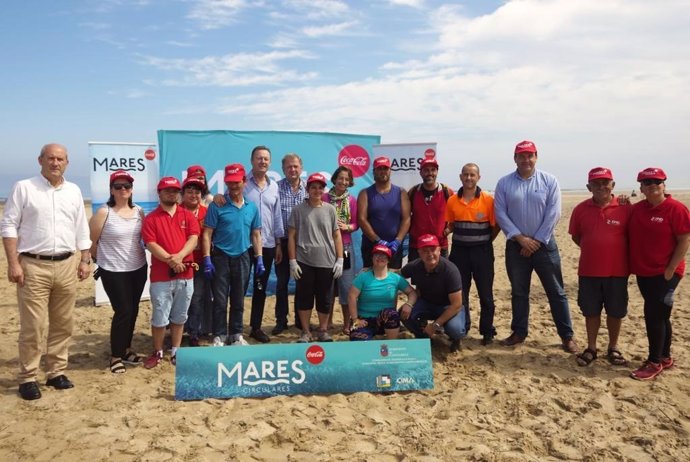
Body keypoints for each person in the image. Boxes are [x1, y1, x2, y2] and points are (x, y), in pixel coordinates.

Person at [1, 143, 91, 400]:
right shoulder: (24, 187)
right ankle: (28, 377)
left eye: (60, 159)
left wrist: (85, 259)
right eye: (50, 158)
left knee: (63, 323)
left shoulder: (73, 191)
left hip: (66, 264)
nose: (55, 163)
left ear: (67, 163)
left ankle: (55, 372)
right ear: (40, 160)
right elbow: (8, 226)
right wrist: (13, 263)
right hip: (33, 265)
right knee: (33, 326)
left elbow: (81, 228)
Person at [494, 140, 578, 353]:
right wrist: (520, 239)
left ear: (536, 157)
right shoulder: (504, 183)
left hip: (545, 246)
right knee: (519, 292)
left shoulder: (549, 181)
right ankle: (519, 332)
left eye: (529, 155)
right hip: (516, 246)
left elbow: (554, 212)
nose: (526, 160)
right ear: (515, 158)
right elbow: (500, 214)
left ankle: (567, 336)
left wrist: (537, 240)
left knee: (556, 292)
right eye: (521, 156)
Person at [628, 167, 690, 380]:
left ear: (664, 184)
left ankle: (654, 362)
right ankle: (664, 357)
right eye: (647, 182)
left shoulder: (676, 209)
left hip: (666, 273)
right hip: (644, 271)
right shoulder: (638, 209)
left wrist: (671, 269)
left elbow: (684, 240)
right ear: (641, 188)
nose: (652, 185)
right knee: (662, 315)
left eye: (657, 181)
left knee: (653, 315)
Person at [569, 167, 632, 367]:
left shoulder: (626, 207)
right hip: (589, 270)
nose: (601, 187)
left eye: (605, 182)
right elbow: (576, 236)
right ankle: (591, 347)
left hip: (617, 271)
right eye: (596, 183)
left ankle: (613, 347)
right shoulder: (580, 209)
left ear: (613, 185)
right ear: (589, 187)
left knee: (615, 312)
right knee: (591, 311)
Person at [89, 170, 148, 373]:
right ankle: (115, 356)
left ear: (132, 189)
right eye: (118, 186)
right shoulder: (104, 213)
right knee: (123, 311)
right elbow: (92, 242)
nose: (123, 190)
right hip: (113, 271)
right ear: (111, 190)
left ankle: (126, 349)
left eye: (127, 186)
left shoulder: (139, 211)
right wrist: (101, 262)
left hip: (138, 268)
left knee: (133, 310)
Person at [141, 177, 199, 368]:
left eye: (175, 191)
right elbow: (151, 244)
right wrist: (171, 260)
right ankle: (157, 351)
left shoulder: (187, 215)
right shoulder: (151, 218)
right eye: (167, 191)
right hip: (161, 277)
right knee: (159, 317)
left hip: (185, 275)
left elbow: (193, 238)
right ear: (159, 193)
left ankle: (176, 350)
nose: (171, 194)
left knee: (180, 316)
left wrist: (179, 257)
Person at [202, 164, 263, 347]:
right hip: (220, 256)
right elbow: (207, 234)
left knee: (238, 298)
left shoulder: (252, 207)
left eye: (237, 182)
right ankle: (220, 335)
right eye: (230, 182)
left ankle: (236, 334)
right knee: (220, 299)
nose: (233, 186)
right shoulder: (217, 204)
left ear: (244, 182)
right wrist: (207, 258)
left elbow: (256, 234)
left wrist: (259, 257)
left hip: (244, 256)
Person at [445, 163, 499, 345]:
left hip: (482, 252)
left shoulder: (488, 200)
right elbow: (451, 225)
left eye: (472, 175)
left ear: (478, 177)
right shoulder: (452, 200)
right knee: (461, 294)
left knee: (486, 293)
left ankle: (487, 331)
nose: (469, 178)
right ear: (460, 177)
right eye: (465, 175)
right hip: (459, 252)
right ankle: (462, 329)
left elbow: (495, 226)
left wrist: (484, 241)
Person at [288, 173, 344, 343]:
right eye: (313, 187)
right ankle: (305, 331)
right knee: (304, 297)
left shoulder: (330, 209)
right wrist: (292, 261)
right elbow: (291, 236)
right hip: (304, 260)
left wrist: (340, 259)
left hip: (327, 261)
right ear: (308, 189)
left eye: (320, 187)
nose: (317, 190)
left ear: (324, 189)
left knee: (325, 298)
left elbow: (336, 236)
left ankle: (323, 330)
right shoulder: (298, 210)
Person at [244, 146, 284, 343]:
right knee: (239, 287)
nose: (263, 161)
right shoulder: (242, 184)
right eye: (259, 158)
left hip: (267, 245)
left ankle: (256, 327)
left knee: (260, 287)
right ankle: (234, 329)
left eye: (266, 159)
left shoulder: (274, 186)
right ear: (252, 160)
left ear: (270, 162)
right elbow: (225, 202)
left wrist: (278, 243)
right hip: (243, 245)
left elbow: (277, 217)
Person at [400, 234, 466, 352]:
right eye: (425, 251)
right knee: (403, 313)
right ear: (419, 252)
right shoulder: (415, 266)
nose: (430, 254)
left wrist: (435, 325)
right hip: (426, 303)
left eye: (433, 249)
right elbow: (396, 276)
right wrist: (375, 270)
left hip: (448, 306)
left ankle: (455, 339)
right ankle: (424, 336)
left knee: (456, 329)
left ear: (439, 250)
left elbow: (456, 305)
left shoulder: (450, 270)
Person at [348, 245, 417, 341]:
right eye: (377, 255)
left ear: (388, 260)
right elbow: (351, 296)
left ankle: (392, 344)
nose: (380, 258)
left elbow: (412, 292)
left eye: (384, 256)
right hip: (363, 319)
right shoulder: (363, 276)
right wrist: (355, 319)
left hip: (385, 320)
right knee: (357, 342)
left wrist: (409, 304)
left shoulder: (395, 278)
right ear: (372, 258)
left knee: (392, 313)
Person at [323, 166, 358, 335]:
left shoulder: (352, 200)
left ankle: (347, 323)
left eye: (347, 179)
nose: (343, 182)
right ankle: (327, 322)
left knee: (345, 285)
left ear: (350, 182)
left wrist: (348, 226)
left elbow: (357, 223)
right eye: (341, 178)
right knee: (328, 286)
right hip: (326, 248)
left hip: (345, 248)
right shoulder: (323, 198)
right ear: (335, 179)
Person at [358, 156, 410, 269]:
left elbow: (406, 218)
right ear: (374, 172)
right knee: (371, 282)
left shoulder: (401, 192)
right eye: (379, 169)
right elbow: (362, 219)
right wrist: (377, 240)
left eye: (385, 168)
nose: (383, 171)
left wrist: (398, 241)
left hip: (394, 247)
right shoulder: (365, 193)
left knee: (393, 281)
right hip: (371, 246)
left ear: (390, 171)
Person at [274, 153, 307, 333]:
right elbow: (274, 218)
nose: (292, 170)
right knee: (281, 284)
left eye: (295, 166)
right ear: (283, 169)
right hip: (283, 243)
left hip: (304, 244)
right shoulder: (276, 188)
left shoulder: (310, 189)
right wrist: (278, 244)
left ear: (301, 167)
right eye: (288, 167)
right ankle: (280, 321)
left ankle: (300, 321)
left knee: (302, 283)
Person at [180, 175, 210, 346]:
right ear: (183, 194)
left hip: (200, 262)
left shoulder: (207, 212)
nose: (193, 195)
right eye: (189, 192)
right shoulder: (176, 211)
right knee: (180, 298)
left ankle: (193, 332)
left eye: (197, 192)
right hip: (180, 264)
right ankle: (176, 329)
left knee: (197, 297)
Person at [408, 157, 453, 260]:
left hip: (440, 245)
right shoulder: (413, 192)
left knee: (441, 275)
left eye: (433, 170)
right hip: (417, 246)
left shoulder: (447, 192)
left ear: (437, 172)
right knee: (417, 276)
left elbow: (456, 215)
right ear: (421, 173)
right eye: (426, 170)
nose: (430, 173)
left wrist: (448, 229)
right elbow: (405, 216)